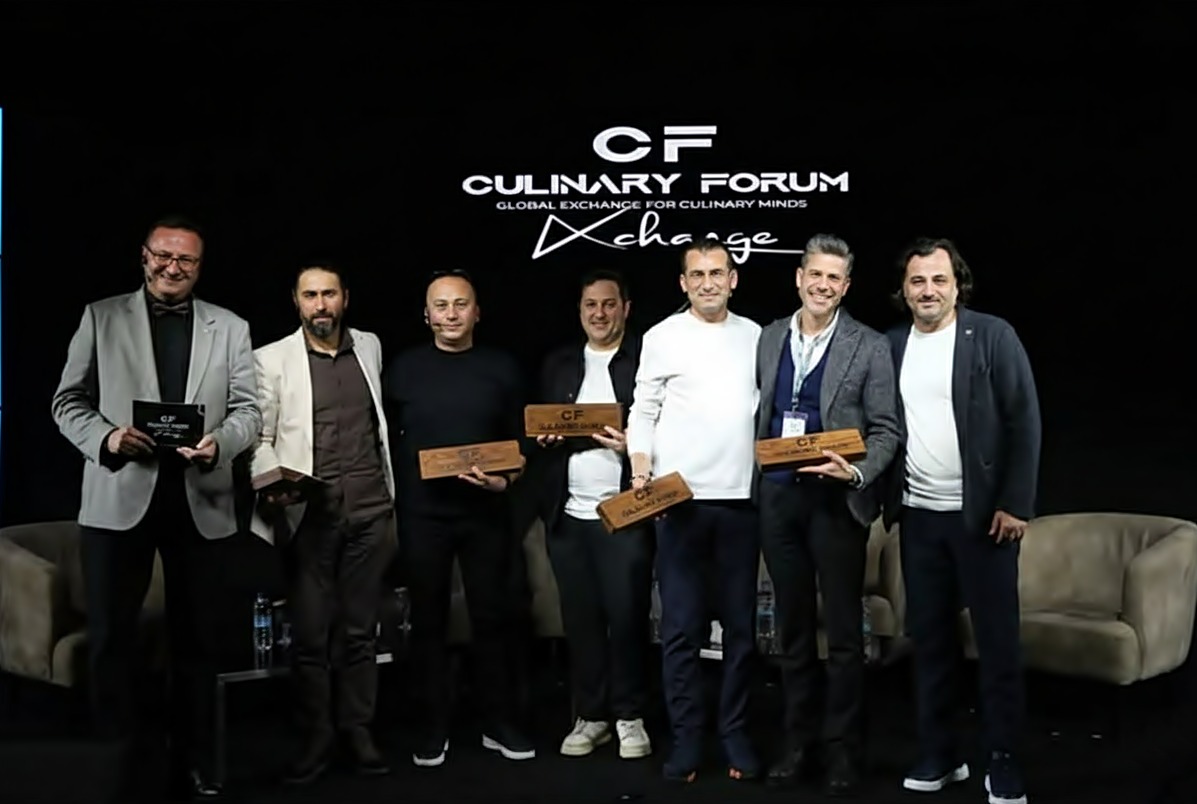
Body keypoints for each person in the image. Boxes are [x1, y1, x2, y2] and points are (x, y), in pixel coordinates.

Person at [50, 215, 261, 802]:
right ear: (143, 257)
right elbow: (67, 401)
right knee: (111, 640)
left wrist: (222, 444)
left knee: (199, 641)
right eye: (163, 256)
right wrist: (107, 438)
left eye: (185, 260)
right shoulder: (100, 316)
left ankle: (195, 761)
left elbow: (248, 410)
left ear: (199, 267)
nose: (172, 267)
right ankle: (114, 763)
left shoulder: (231, 327)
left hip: (202, 499)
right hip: (119, 496)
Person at [884, 237, 1039, 804]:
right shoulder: (891, 345)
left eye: (938, 280)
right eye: (918, 281)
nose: (928, 290)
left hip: (985, 521)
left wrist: (1015, 503)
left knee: (997, 646)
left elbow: (1024, 420)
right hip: (920, 518)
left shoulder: (992, 336)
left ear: (957, 285)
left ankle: (1002, 760)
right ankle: (941, 754)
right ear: (904, 290)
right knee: (930, 645)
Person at [754, 233, 901, 796]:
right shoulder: (770, 337)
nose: (822, 285)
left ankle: (843, 751)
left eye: (833, 278)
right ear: (799, 277)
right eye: (814, 274)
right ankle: (798, 744)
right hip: (779, 500)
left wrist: (857, 473)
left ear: (846, 286)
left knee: (842, 636)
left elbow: (885, 430)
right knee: (791, 632)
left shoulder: (870, 346)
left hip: (837, 505)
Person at [248, 263, 397, 783]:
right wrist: (272, 482)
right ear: (296, 301)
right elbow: (260, 438)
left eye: (329, 294)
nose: (320, 305)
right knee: (311, 636)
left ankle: (358, 730)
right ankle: (317, 736)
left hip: (371, 511)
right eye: (310, 295)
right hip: (309, 516)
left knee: (360, 632)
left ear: (344, 298)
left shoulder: (369, 346)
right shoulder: (271, 359)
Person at [383, 268, 535, 767]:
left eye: (460, 304)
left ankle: (498, 722)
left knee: (494, 617)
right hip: (422, 515)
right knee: (427, 621)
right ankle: (432, 726)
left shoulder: (502, 367)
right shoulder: (402, 369)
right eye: (441, 305)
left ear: (477, 312)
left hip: (485, 511)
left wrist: (505, 480)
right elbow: (383, 442)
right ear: (426, 314)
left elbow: (521, 442)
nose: (451, 314)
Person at [625, 237, 762, 783]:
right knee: (681, 631)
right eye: (697, 274)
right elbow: (643, 411)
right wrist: (641, 474)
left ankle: (735, 735)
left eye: (717, 272)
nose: (708, 282)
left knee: (740, 632)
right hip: (678, 505)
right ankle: (686, 740)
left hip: (741, 504)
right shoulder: (662, 336)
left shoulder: (757, 336)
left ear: (733, 279)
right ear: (683, 283)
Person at [535, 269, 653, 760]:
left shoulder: (644, 360)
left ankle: (630, 715)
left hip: (626, 513)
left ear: (626, 308)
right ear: (580, 311)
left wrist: (635, 445)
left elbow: (668, 428)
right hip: (568, 516)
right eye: (590, 305)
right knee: (580, 621)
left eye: (608, 304)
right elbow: (537, 431)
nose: (599, 314)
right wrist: (544, 439)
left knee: (626, 619)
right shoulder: (560, 364)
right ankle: (591, 716)